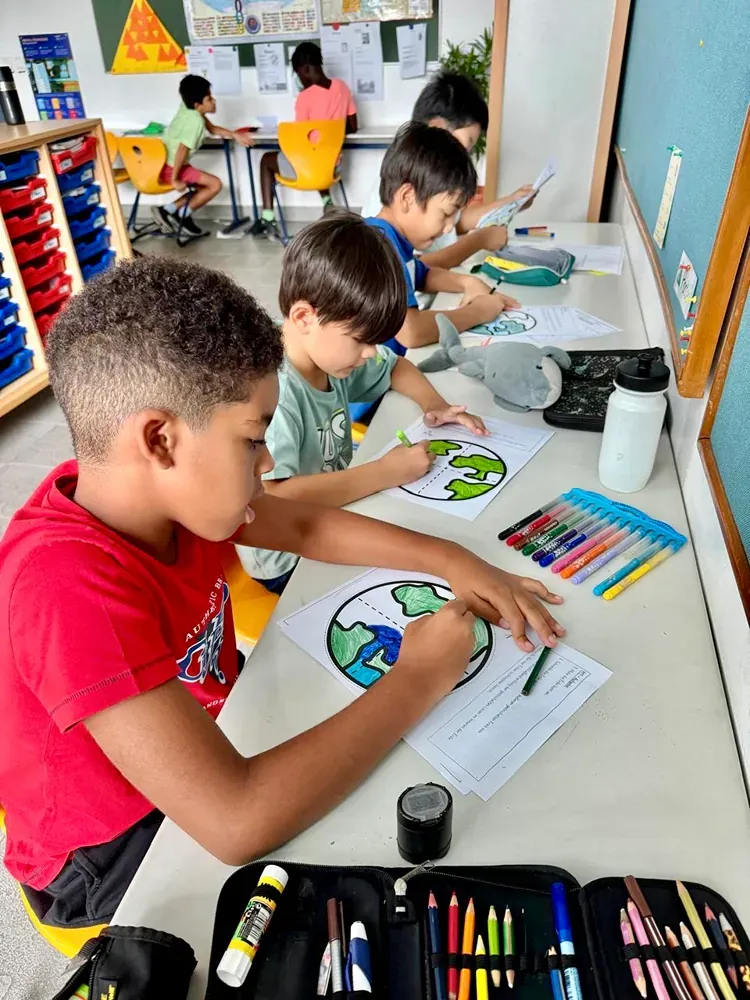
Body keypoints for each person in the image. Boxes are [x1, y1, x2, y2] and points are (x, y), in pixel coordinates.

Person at [0, 256, 564, 929]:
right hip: (104, 852)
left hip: (201, 734)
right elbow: (237, 818)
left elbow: (301, 521)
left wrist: (448, 557)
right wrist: (417, 678)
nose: (267, 464)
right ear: (159, 440)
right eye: (253, 439)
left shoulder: (160, 493)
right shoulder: (69, 588)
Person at [239, 212, 489, 593]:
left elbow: (397, 367)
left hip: (336, 512)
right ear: (305, 317)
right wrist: (384, 472)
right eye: (361, 340)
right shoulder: (277, 393)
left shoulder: (329, 354)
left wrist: (432, 403)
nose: (372, 354)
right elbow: (278, 497)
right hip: (288, 554)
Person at [366, 122, 520, 352]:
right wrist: (478, 312)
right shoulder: (377, 247)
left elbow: (423, 274)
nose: (449, 228)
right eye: (446, 214)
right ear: (407, 197)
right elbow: (411, 332)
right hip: (375, 384)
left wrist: (469, 282)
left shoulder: (393, 239)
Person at [362, 72, 536, 270]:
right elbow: (418, 268)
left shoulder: (421, 185)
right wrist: (478, 241)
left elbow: (457, 220)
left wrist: (511, 203)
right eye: (464, 145)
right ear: (437, 127)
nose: (465, 157)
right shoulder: (392, 197)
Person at [257, 42, 357, 241]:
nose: (299, 79)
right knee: (320, 152)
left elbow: (300, 145)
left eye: (298, 74)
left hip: (308, 170)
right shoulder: (342, 88)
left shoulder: (304, 97)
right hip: (333, 168)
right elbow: (353, 126)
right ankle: (327, 201)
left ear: (304, 69)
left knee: (266, 160)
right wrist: (331, 130)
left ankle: (267, 218)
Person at [152, 74, 253, 238]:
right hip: (172, 168)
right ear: (198, 104)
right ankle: (181, 215)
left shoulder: (189, 110)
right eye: (209, 99)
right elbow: (182, 150)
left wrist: (234, 134)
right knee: (214, 185)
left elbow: (213, 130)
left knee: (202, 187)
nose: (214, 101)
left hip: (163, 163)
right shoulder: (196, 122)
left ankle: (169, 211)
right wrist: (175, 179)